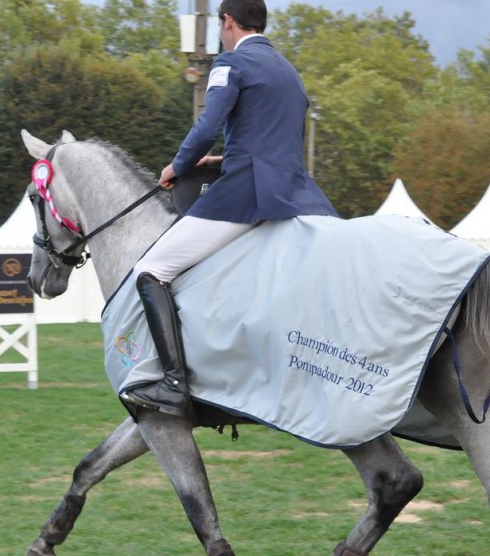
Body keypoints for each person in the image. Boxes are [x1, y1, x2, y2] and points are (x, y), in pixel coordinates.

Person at [121, 0, 338, 418]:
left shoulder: (230, 62)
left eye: (222, 25)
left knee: (152, 270)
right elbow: (274, 142)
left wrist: (178, 165)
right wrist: (220, 161)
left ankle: (173, 384)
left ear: (228, 22)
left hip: (247, 194)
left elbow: (208, 126)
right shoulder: (287, 71)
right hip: (298, 192)